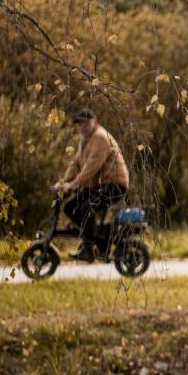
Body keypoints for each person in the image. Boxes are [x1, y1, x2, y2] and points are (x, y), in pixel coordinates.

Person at [52, 109, 130, 262]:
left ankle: (89, 249)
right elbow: (75, 165)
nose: (82, 127)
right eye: (79, 124)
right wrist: (62, 183)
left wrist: (72, 186)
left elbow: (90, 168)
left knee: (86, 208)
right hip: (99, 185)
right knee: (70, 207)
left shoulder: (100, 137)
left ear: (95, 123)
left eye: (86, 123)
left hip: (114, 184)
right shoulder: (85, 141)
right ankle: (96, 239)